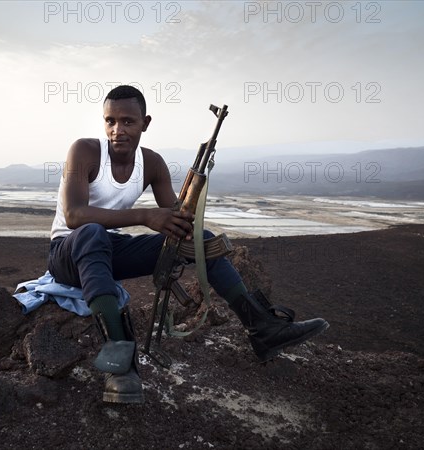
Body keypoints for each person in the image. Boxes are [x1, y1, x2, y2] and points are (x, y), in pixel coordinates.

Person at [47, 85, 328, 404]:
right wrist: (145, 215)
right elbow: (73, 215)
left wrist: (187, 205)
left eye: (127, 121)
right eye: (110, 121)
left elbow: (177, 224)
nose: (117, 130)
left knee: (201, 241)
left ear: (145, 123)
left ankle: (262, 327)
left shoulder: (151, 164)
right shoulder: (84, 150)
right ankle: (120, 364)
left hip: (108, 249)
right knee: (91, 232)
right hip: (68, 252)